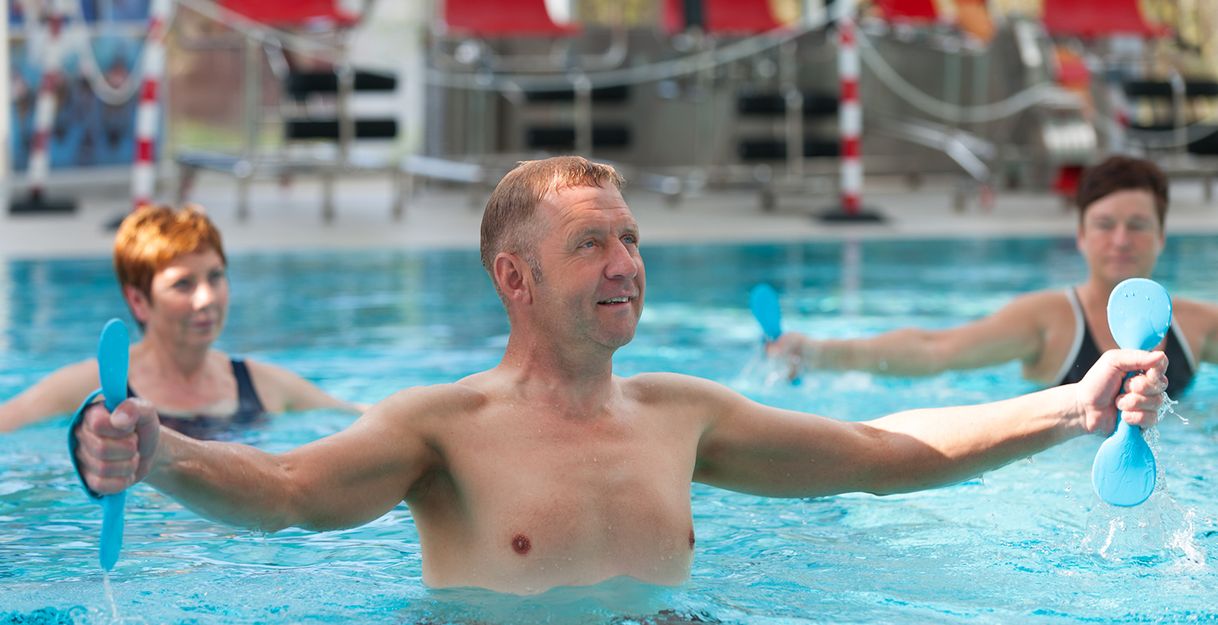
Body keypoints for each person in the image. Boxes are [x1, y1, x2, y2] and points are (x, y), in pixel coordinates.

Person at [72, 157, 1167, 596]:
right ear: (515, 276)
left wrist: (1073, 405)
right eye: (594, 242)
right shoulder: (439, 426)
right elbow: (292, 492)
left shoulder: (682, 414)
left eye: (632, 239)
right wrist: (156, 451)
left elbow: (883, 454)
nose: (628, 264)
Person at [769, 155, 1218, 393]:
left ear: (1162, 237)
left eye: (1138, 226)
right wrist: (816, 352)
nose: (1121, 240)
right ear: (1080, 236)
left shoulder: (1195, 324)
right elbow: (936, 349)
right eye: (1105, 225)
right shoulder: (1046, 319)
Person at [0, 204, 361, 436]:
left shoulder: (260, 385)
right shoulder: (95, 387)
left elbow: (357, 418)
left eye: (216, 277)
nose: (206, 299)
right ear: (138, 301)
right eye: (183, 284)